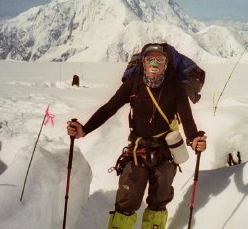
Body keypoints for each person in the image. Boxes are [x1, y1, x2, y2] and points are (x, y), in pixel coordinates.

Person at [67, 43, 207, 229]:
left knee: (159, 203)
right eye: (150, 59)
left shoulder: (175, 87)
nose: (155, 63)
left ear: (166, 63)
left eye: (160, 59)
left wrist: (194, 139)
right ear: (143, 62)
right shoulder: (133, 84)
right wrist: (84, 129)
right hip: (137, 151)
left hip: (165, 153)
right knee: (127, 201)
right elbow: (109, 108)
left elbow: (187, 119)